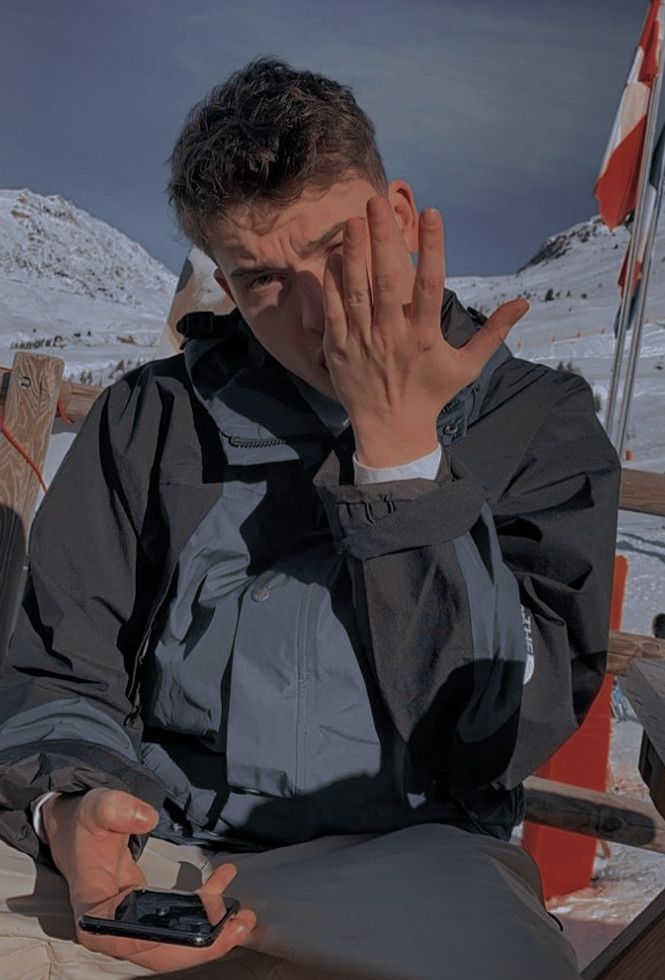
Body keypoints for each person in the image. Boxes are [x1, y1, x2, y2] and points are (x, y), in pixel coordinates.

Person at [0, 58, 621, 978]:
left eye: (337, 249)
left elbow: (496, 729)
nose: (317, 311)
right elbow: (58, 669)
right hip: (155, 842)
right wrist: (72, 806)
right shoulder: (153, 420)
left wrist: (400, 458)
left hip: (418, 858)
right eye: (260, 280)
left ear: (399, 216)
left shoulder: (536, 425)